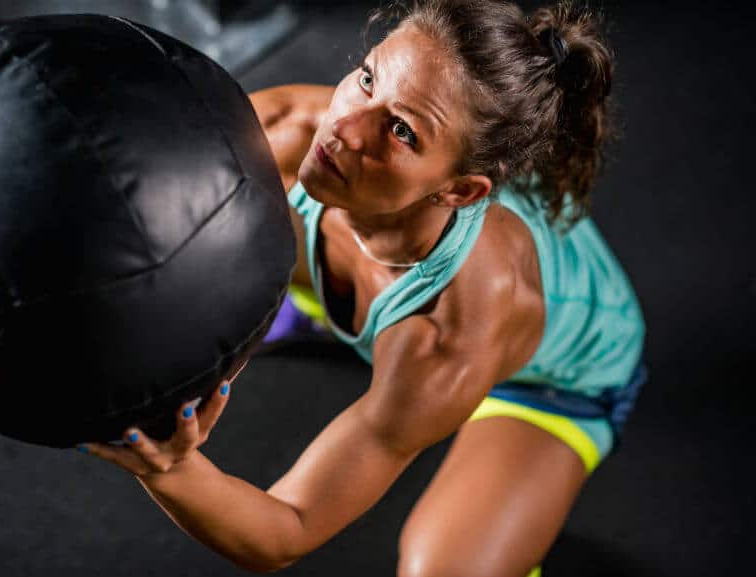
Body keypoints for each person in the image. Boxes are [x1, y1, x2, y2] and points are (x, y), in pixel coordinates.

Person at [79, 1, 646, 575]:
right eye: (369, 77)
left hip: (556, 382)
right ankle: (312, 305)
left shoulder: (444, 335)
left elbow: (287, 528)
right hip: (393, 242)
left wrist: (169, 469)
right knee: (226, 188)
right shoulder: (305, 128)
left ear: (459, 191)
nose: (344, 127)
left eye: (401, 130)